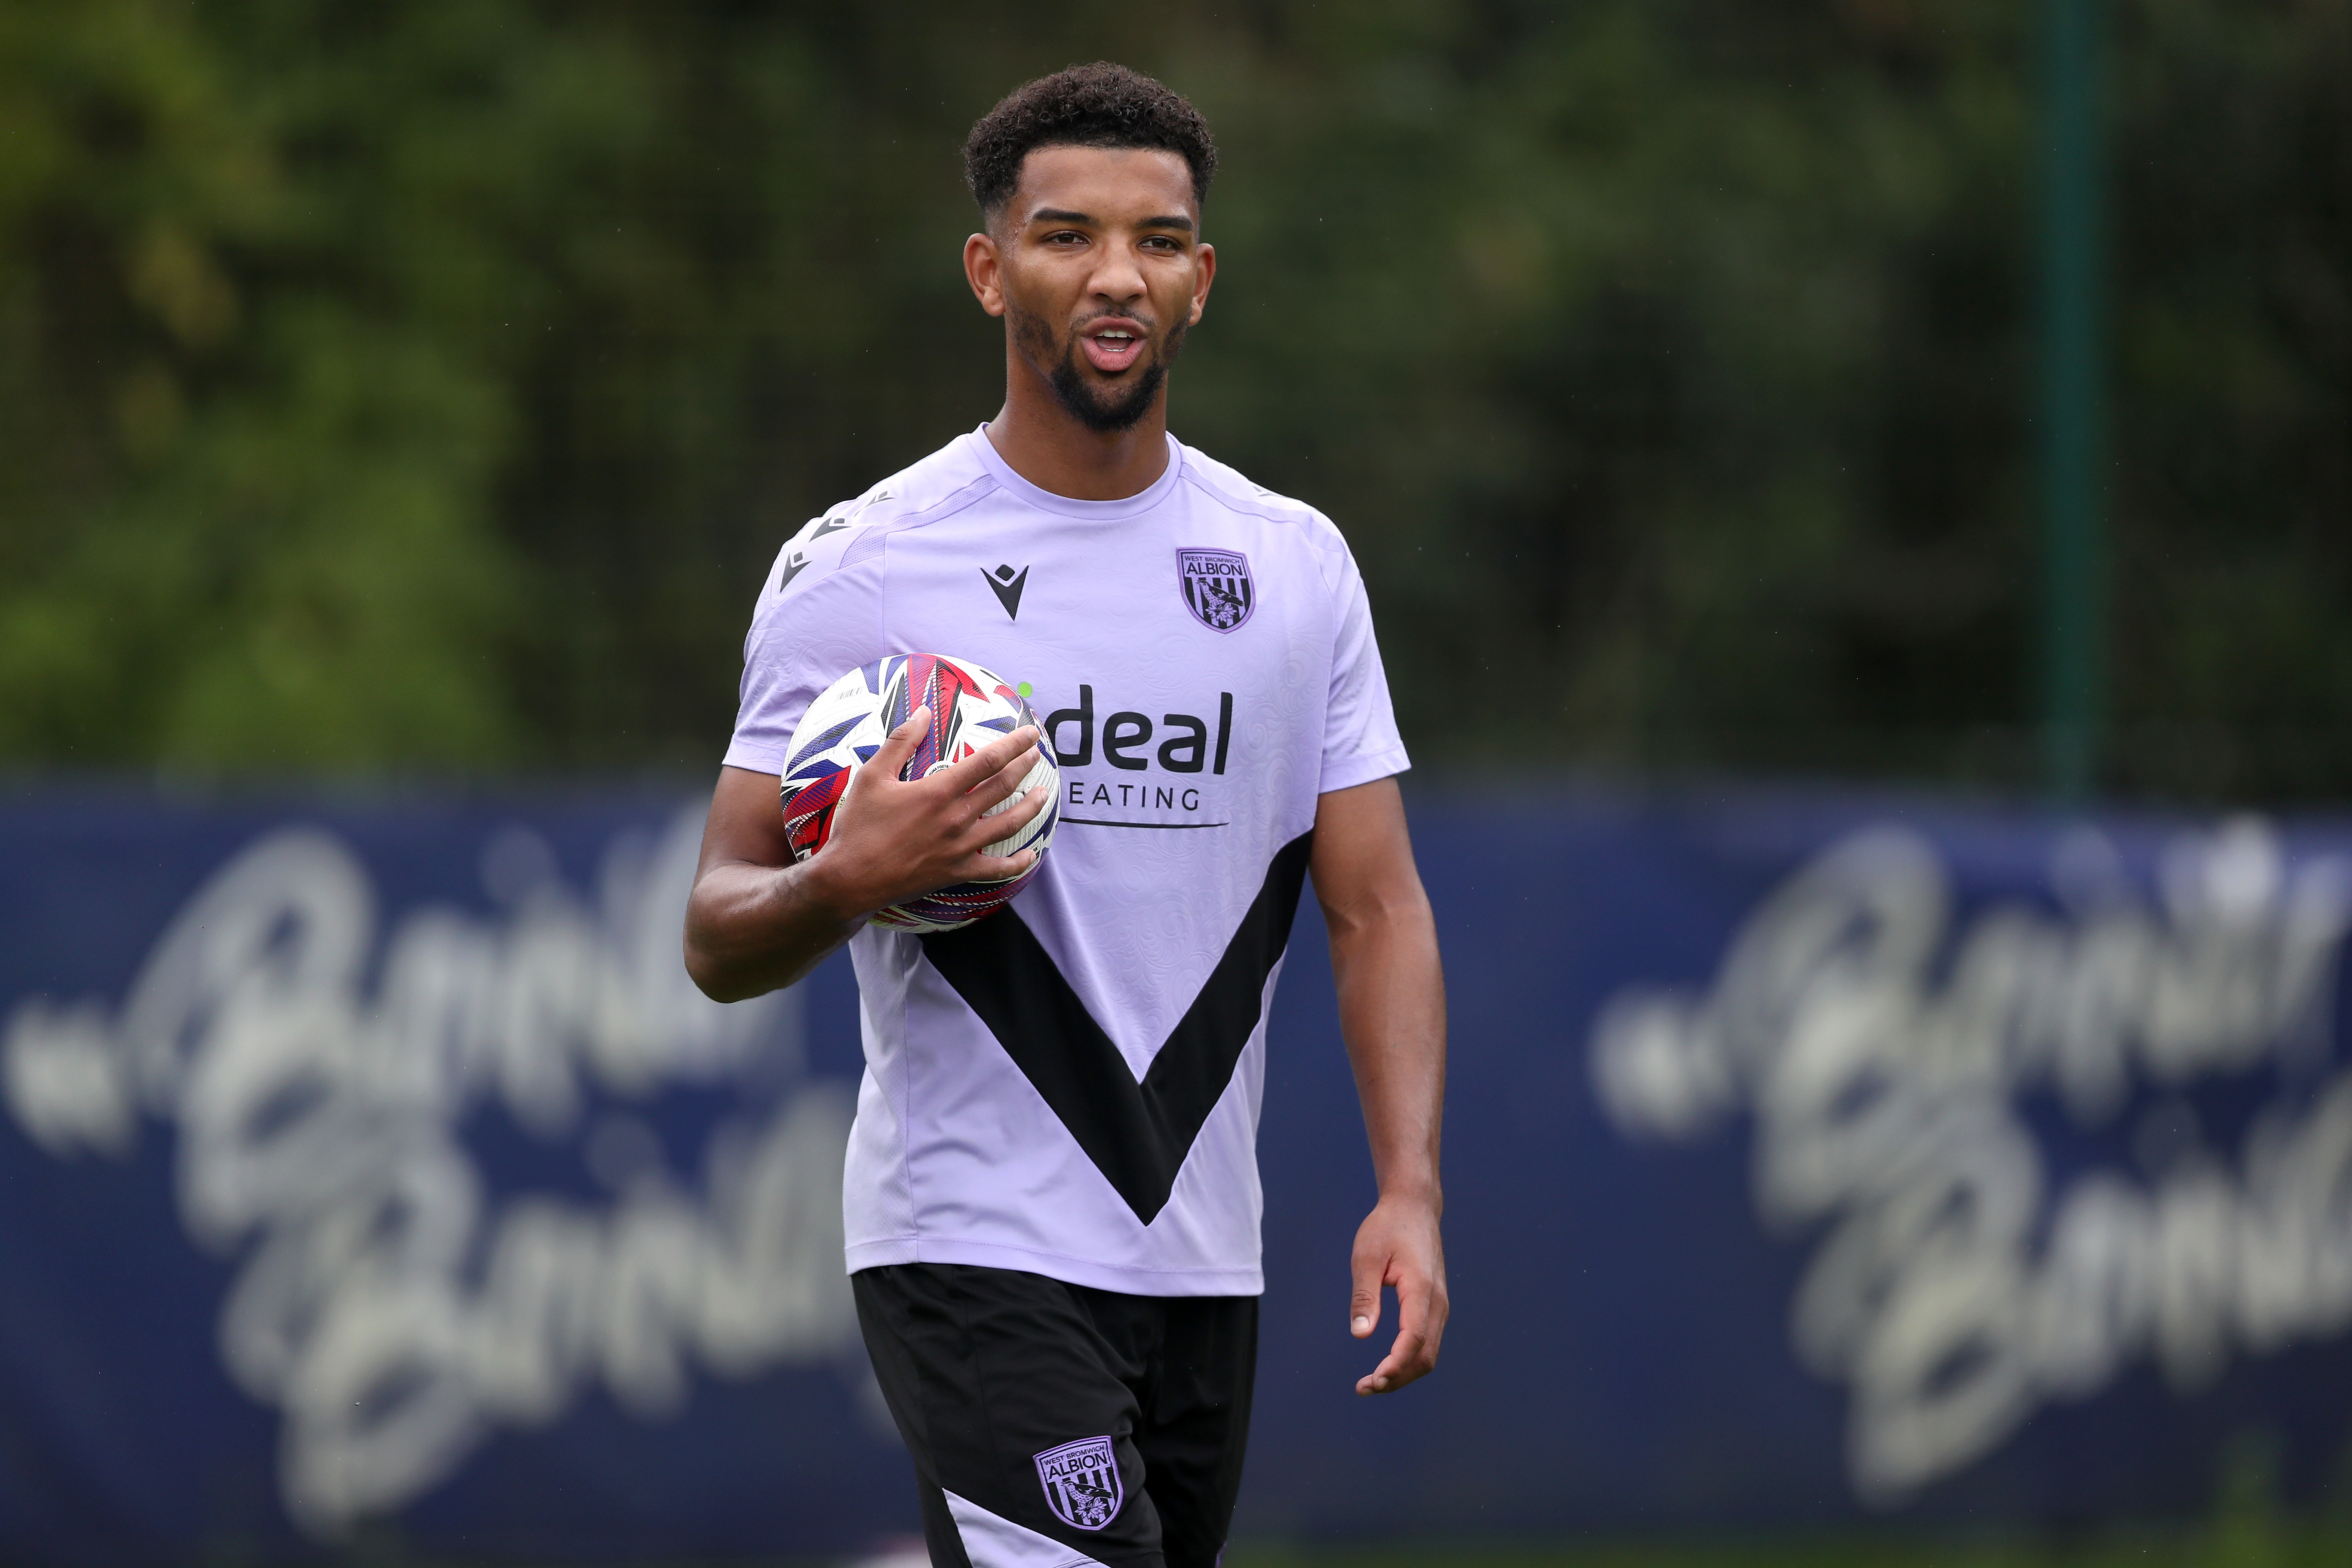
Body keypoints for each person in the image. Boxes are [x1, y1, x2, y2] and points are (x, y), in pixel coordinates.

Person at [684, 61, 1446, 1568]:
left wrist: (1409, 1188)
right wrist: (846, 880)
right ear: (989, 269)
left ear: (1202, 281)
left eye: (1160, 241)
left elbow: (1378, 907)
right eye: (1066, 234)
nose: (1118, 276)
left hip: (1204, 1262)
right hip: (968, 1245)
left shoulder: (1293, 570)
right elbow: (716, 927)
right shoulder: (861, 571)